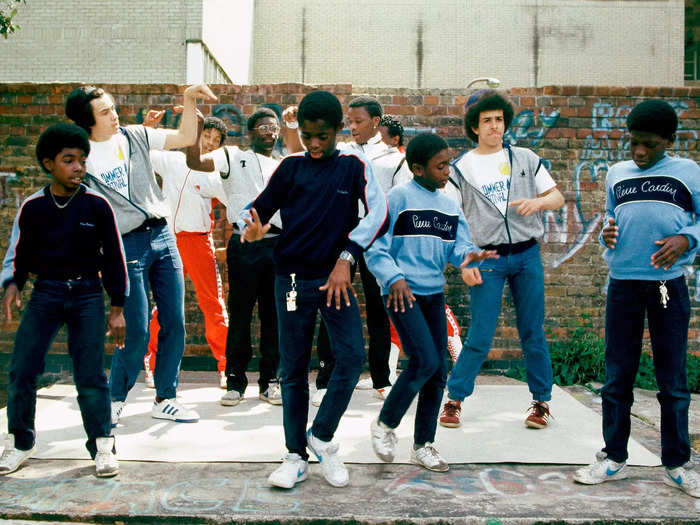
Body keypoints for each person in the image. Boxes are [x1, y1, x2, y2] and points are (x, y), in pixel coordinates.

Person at [238, 90, 388, 489]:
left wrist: (347, 257)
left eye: (323, 136)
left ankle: (321, 435)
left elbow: (380, 213)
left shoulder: (355, 166)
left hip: (335, 281)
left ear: (338, 130)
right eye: (307, 136)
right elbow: (254, 211)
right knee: (293, 369)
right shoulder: (290, 167)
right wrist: (249, 227)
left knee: (352, 357)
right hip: (289, 279)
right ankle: (294, 456)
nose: (316, 144)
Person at [65, 83, 217, 427]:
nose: (114, 114)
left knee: (175, 323)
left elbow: (183, 137)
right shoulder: (80, 158)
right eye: (104, 112)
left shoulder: (135, 135)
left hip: (162, 235)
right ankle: (115, 398)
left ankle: (166, 398)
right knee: (135, 331)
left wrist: (190, 100)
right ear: (86, 122)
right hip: (123, 246)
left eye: (112, 107)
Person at [573, 100, 700, 497]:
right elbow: (611, 220)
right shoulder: (617, 174)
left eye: (649, 145)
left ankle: (677, 464)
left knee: (672, 380)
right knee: (617, 377)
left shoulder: (688, 173)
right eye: (633, 144)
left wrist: (686, 239)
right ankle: (613, 458)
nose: (640, 152)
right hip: (624, 284)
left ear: (668, 141)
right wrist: (604, 235)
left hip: (667, 286)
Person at [0, 123, 126, 477]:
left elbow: (114, 259)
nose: (77, 168)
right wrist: (14, 284)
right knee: (22, 367)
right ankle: (20, 443)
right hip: (47, 293)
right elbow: (21, 252)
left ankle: (102, 446)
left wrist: (117, 308)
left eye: (81, 161)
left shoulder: (97, 206)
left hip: (87, 295)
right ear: (48, 163)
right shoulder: (34, 207)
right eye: (68, 160)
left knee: (89, 374)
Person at [366, 133, 496, 472]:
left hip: (432, 294)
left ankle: (423, 445)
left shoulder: (450, 205)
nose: (446, 171)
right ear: (417, 168)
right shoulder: (397, 198)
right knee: (424, 361)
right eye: (440, 166)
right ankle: (384, 424)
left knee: (438, 369)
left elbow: (459, 247)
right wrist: (392, 277)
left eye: (448, 163)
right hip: (400, 291)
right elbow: (375, 246)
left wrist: (469, 262)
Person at [439, 90, 564, 430]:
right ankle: (454, 399)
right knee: (480, 334)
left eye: (498, 119)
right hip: (487, 258)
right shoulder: (461, 169)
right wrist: (464, 262)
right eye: (487, 121)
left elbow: (556, 196)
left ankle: (541, 402)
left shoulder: (524, 157)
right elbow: (452, 220)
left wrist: (538, 204)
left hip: (526, 255)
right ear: (474, 127)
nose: (495, 126)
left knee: (532, 332)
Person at [287, 96, 410, 404]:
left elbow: (400, 200)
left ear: (376, 122)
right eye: (350, 122)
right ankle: (326, 380)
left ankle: (382, 377)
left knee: (379, 305)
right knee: (332, 298)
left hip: (377, 236)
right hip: (339, 234)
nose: (352, 127)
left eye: (358, 122)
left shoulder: (394, 158)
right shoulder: (340, 153)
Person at [186, 107, 287, 407]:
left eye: (274, 128)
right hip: (244, 244)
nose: (270, 132)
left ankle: (271, 382)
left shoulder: (285, 163)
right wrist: (198, 126)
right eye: (264, 127)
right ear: (252, 131)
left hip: (277, 244)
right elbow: (195, 161)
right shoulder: (233, 157)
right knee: (240, 313)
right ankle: (235, 381)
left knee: (274, 316)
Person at [142, 113, 229, 390]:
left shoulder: (216, 173)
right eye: (207, 136)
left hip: (199, 241)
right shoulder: (174, 161)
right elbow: (143, 152)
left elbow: (236, 203)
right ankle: (152, 364)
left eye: (216, 141)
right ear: (196, 135)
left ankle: (226, 366)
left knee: (213, 304)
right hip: (167, 238)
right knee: (163, 306)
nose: (210, 144)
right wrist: (148, 127)